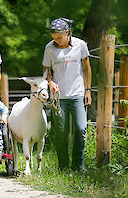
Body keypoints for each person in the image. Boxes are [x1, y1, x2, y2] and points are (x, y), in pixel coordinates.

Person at [42, 18, 92, 172]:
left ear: (67, 33)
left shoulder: (80, 45)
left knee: (80, 128)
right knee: (61, 132)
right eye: (54, 37)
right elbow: (46, 71)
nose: (56, 40)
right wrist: (50, 82)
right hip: (59, 97)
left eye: (59, 37)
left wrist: (88, 90)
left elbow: (86, 69)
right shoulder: (49, 48)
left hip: (77, 93)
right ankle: (63, 166)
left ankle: (79, 164)